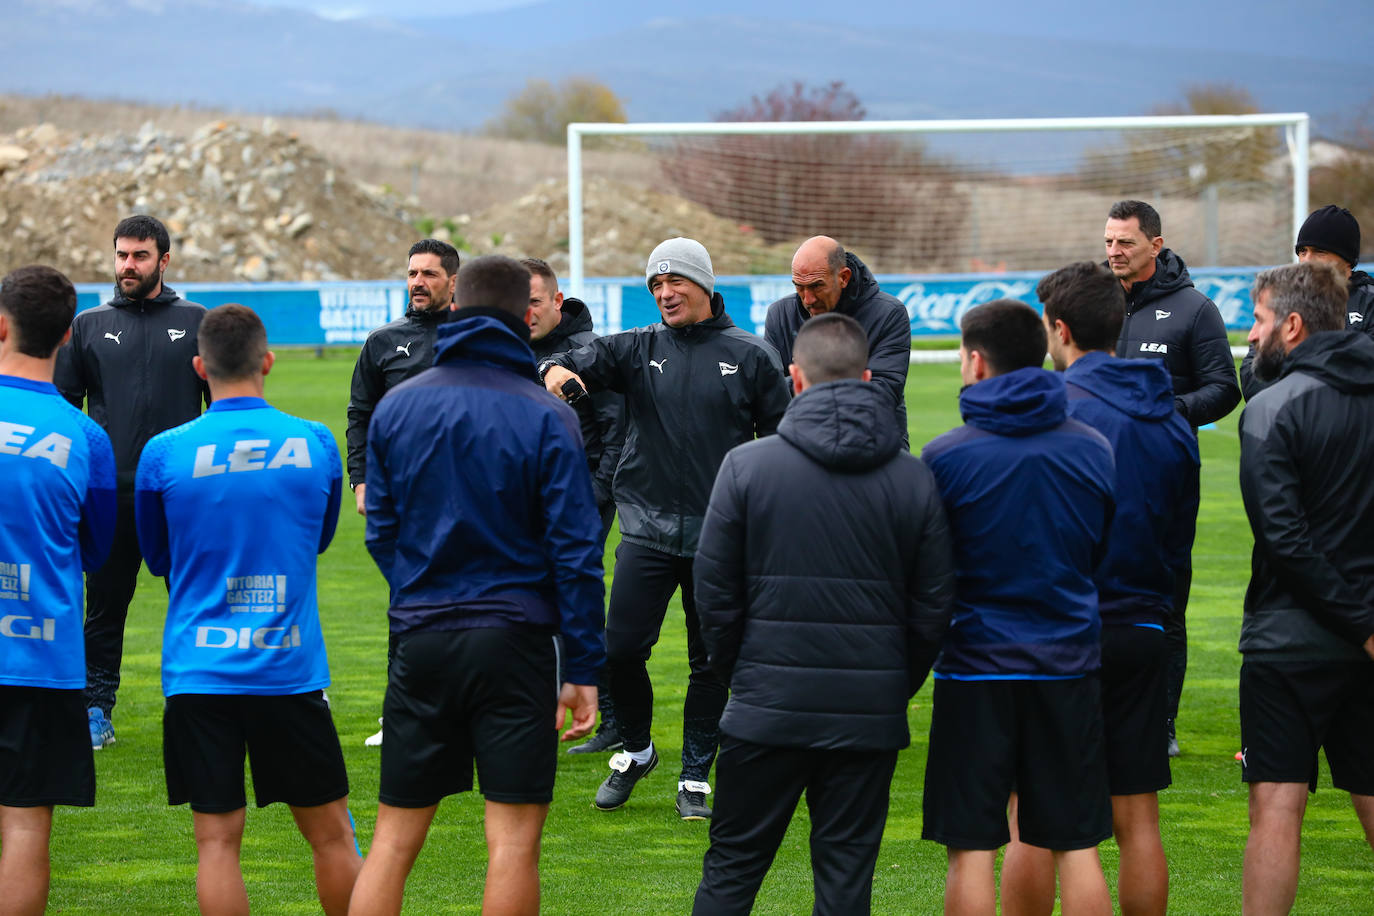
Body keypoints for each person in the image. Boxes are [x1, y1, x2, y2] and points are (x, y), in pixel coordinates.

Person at [352, 255, 604, 916]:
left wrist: (419, 586)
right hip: (516, 643)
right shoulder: (548, 416)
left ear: (456, 307)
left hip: (422, 635)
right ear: (527, 316)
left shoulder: (398, 405)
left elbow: (380, 527)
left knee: (393, 840)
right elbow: (577, 553)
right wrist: (583, 665)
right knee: (513, 845)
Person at [691, 312, 955, 915]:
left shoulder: (747, 467)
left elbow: (714, 594)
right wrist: (890, 683)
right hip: (863, 715)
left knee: (731, 870)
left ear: (795, 379)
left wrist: (745, 676)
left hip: (765, 708)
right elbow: (934, 606)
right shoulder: (912, 480)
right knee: (844, 879)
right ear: (866, 378)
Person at [540, 237, 790, 819]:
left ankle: (697, 776)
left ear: (703, 283)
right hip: (647, 529)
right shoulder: (636, 348)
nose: (664, 293)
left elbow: (783, 440)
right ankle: (637, 750)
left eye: (674, 281)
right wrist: (554, 371)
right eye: (655, 284)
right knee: (621, 650)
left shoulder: (751, 354)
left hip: (721, 536)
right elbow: (562, 360)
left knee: (712, 661)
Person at [134, 304, 360, 915]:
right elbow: (316, 537)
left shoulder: (164, 452)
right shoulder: (313, 441)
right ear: (268, 360)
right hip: (287, 672)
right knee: (332, 835)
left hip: (198, 671)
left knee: (216, 845)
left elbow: (158, 558)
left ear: (199, 367)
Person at [1000, 263, 1200, 916]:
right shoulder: (1171, 419)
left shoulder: (1053, 409)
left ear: (1059, 331)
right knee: (1137, 814)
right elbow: (1178, 539)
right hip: (1144, 625)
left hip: (1064, 631)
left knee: (1032, 808)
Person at [921, 299, 1115, 916]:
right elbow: (1100, 552)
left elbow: (931, 573)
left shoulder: (946, 456)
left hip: (975, 668)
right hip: (1066, 665)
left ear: (976, 363)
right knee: (1075, 845)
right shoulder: (1092, 448)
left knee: (972, 848)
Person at [1235, 261, 1374, 916]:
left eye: (1258, 320)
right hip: (1365, 639)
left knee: (1277, 800)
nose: (1251, 334)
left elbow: (1284, 540)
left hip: (1289, 643)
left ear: (1291, 325)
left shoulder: (1270, 406)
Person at [54, 214, 208, 749]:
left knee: (192, 602)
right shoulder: (89, 325)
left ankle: (194, 706)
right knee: (104, 606)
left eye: (140, 256)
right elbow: (65, 412)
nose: (128, 265)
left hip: (180, 496)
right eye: (122, 254)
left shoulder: (196, 321)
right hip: (110, 495)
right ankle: (96, 709)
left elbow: (223, 405)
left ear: (163, 261)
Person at [0, 265, 117, 916]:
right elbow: (95, 549)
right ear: (69, 337)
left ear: (0, 326)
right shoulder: (87, 438)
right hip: (40, 659)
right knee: (24, 824)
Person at [1104, 198, 1240, 758]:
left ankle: (1160, 723)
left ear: (1155, 246)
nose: (1113, 252)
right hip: (1095, 470)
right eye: (1108, 241)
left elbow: (1225, 388)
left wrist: (1165, 409)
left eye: (1125, 243)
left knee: (1163, 598)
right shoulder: (1095, 303)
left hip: (1164, 477)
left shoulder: (1194, 309)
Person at [346, 238, 460, 747]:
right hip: (403, 500)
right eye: (413, 273)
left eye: (430, 274)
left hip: (468, 498)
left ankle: (466, 714)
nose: (418, 282)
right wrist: (361, 477)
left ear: (453, 281)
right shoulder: (383, 342)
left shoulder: (477, 336)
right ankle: (402, 714)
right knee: (408, 605)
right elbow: (360, 416)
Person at [524, 256, 626, 755]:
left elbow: (616, 433)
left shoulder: (590, 353)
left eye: (536, 302)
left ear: (558, 301)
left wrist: (592, 499)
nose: (527, 312)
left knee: (577, 600)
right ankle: (539, 707)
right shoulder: (511, 350)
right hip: (527, 503)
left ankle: (611, 716)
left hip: (582, 499)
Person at [764, 236, 912, 446]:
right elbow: (771, 395)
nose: (808, 299)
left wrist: (806, 382)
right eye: (799, 287)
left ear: (843, 277)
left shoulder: (888, 313)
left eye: (816, 286)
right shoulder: (780, 314)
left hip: (874, 446)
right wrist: (850, 383)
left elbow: (883, 395)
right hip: (803, 447)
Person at [1240, 205, 1374, 399]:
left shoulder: (1369, 302)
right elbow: (1254, 375)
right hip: (1290, 419)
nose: (1307, 260)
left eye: (1319, 252)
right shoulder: (1282, 299)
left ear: (1347, 260)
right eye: (1302, 251)